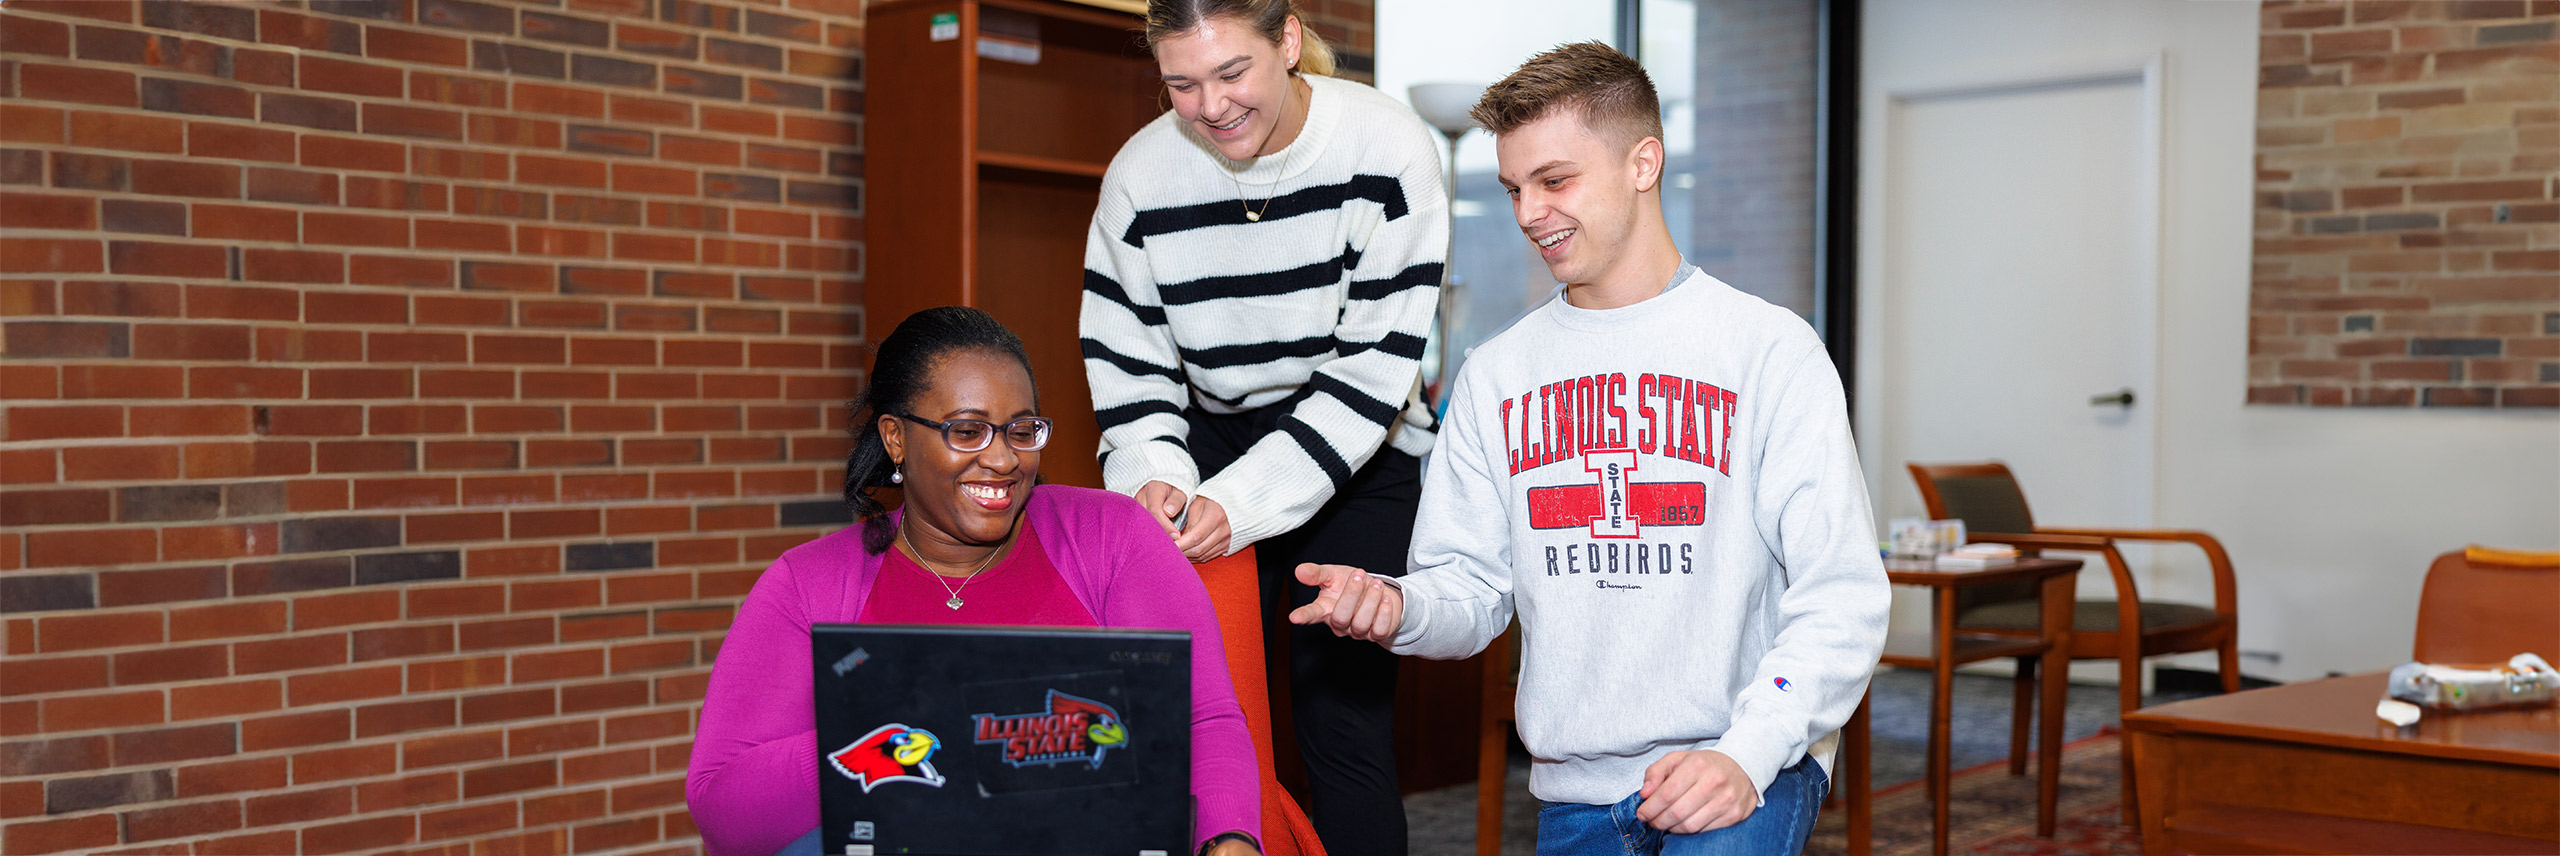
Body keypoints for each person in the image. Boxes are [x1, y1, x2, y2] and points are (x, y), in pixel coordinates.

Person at [1288, 43, 1891, 856]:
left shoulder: (1767, 351)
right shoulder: (1496, 374)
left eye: (1555, 180)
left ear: (1644, 162)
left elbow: (1841, 595)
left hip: (1741, 761)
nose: (1529, 211)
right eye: (1513, 188)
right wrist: (1399, 609)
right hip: (1575, 786)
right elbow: (1471, 590)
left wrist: (1745, 753)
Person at [686, 307, 1261, 856]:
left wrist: (1229, 839)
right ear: (896, 438)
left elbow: (1201, 718)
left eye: (1020, 430)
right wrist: (897, 734)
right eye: (967, 431)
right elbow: (723, 802)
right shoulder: (807, 584)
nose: (1004, 459)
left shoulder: (1114, 537)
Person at [1077, 1, 1448, 852]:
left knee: (1341, 729)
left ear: (1286, 41)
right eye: (1181, 83)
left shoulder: (1386, 151)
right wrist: (1153, 484)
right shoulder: (1140, 174)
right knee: (1206, 719)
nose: (1210, 106)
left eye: (1232, 72)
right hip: (1206, 439)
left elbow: (1368, 376)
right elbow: (1129, 362)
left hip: (1362, 443)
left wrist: (1239, 505)